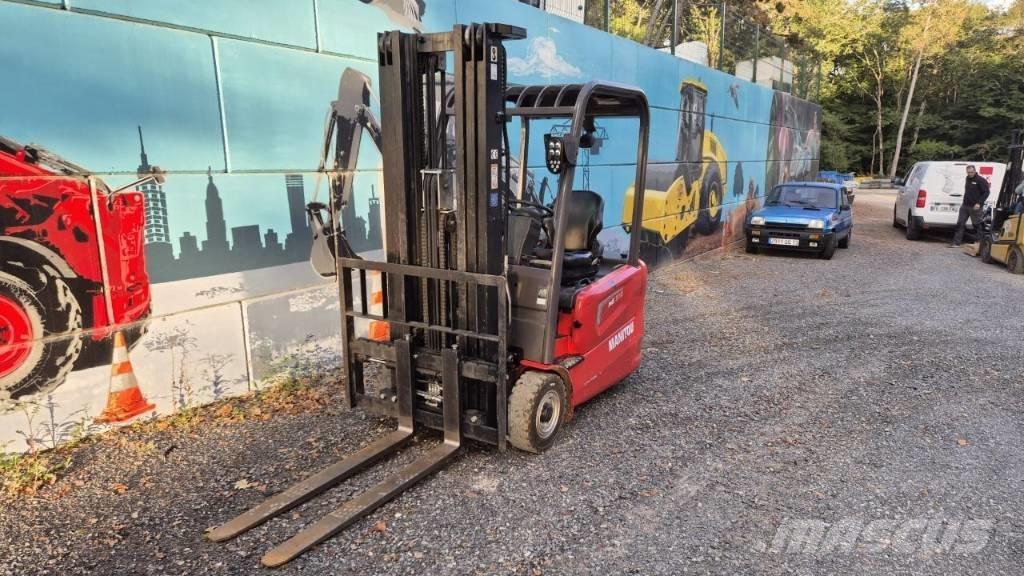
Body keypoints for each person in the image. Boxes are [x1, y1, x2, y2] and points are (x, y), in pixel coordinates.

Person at [951, 165, 991, 247]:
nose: (970, 174)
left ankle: (979, 243)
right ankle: (956, 243)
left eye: (972, 172)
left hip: (975, 207)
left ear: (975, 171)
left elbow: (986, 192)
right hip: (965, 205)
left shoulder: (980, 180)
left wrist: (979, 203)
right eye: (968, 172)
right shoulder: (967, 178)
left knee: (976, 225)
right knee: (960, 224)